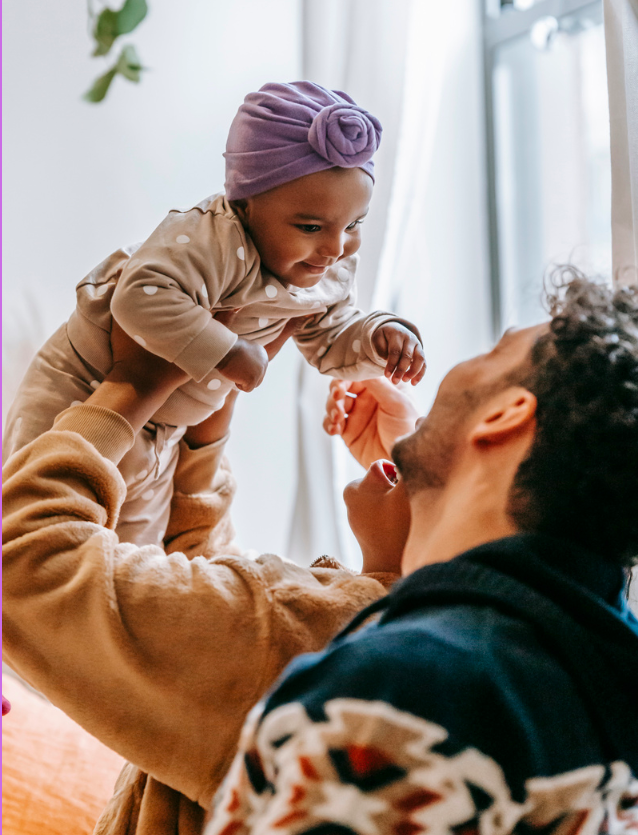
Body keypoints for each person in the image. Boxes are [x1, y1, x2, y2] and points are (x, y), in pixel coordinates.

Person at [205, 273, 638, 835]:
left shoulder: (395, 703)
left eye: (493, 352)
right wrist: (437, 484)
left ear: (506, 414)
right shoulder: (601, 692)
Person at [2, 321, 414, 835]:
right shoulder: (392, 637)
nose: (415, 438)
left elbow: (24, 560)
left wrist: (135, 383)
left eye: (441, 429)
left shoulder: (320, 640)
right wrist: (211, 419)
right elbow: (210, 597)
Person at [2, 80, 424, 547]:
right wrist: (229, 349)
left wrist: (378, 335)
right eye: (309, 226)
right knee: (32, 529)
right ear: (243, 204)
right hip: (83, 390)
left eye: (355, 224)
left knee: (127, 564)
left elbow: (329, 338)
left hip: (170, 434)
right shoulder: (210, 238)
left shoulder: (326, 264)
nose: (335, 247)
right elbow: (139, 296)